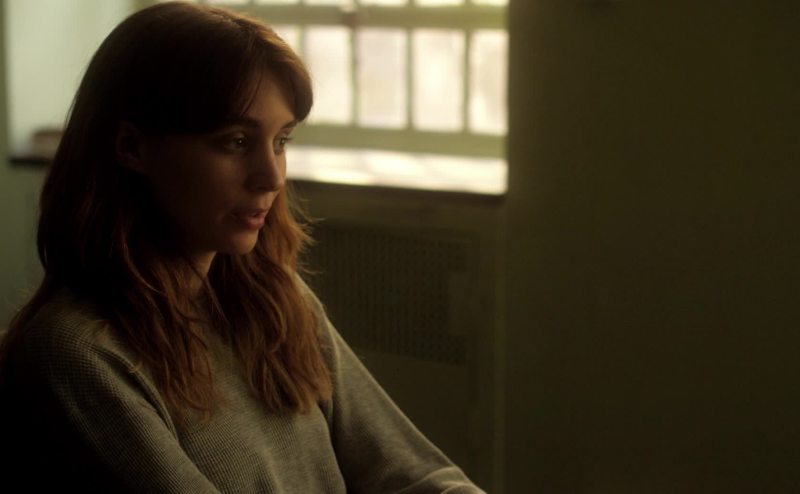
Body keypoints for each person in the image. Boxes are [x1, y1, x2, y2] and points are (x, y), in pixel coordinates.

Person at [0, 2, 484, 493]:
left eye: (281, 141)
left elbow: (414, 473)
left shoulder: (273, 297)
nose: (271, 178)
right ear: (132, 147)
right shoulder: (77, 353)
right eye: (234, 142)